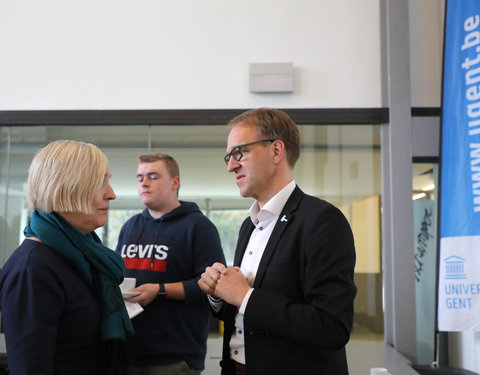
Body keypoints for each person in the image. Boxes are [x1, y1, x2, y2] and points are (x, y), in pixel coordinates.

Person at [198, 108, 357, 375]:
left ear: (276, 151)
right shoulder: (249, 226)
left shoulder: (322, 221)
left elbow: (331, 326)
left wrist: (245, 295)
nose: (230, 166)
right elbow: (244, 317)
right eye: (228, 156)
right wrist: (219, 294)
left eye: (239, 153)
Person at [0, 140, 135, 375]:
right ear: (67, 188)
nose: (111, 194)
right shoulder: (33, 269)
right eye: (101, 182)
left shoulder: (83, 257)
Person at [116, 152, 225, 375]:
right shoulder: (130, 226)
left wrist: (159, 291)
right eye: (140, 177)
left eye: (153, 176)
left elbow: (213, 286)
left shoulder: (199, 227)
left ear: (175, 182)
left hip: (174, 356)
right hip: (127, 351)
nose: (144, 183)